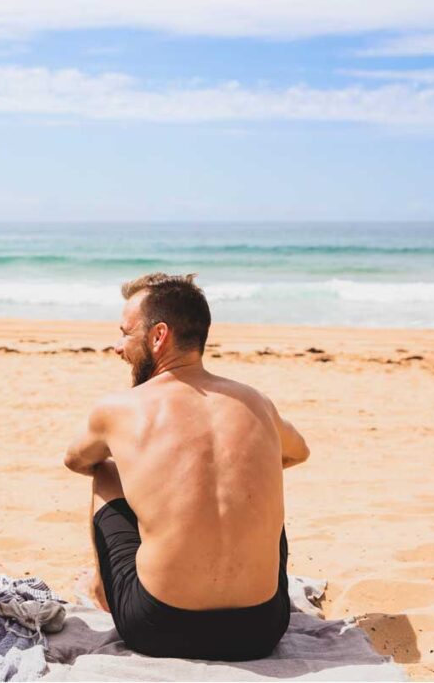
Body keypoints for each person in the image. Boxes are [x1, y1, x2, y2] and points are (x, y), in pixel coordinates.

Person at [65, 272, 310, 661]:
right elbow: (299, 453)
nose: (116, 346)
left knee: (106, 470)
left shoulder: (119, 408)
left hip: (159, 628)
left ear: (158, 336)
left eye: (125, 333)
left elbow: (77, 459)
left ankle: (100, 587)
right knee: (257, 478)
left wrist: (141, 467)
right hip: (261, 630)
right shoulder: (256, 402)